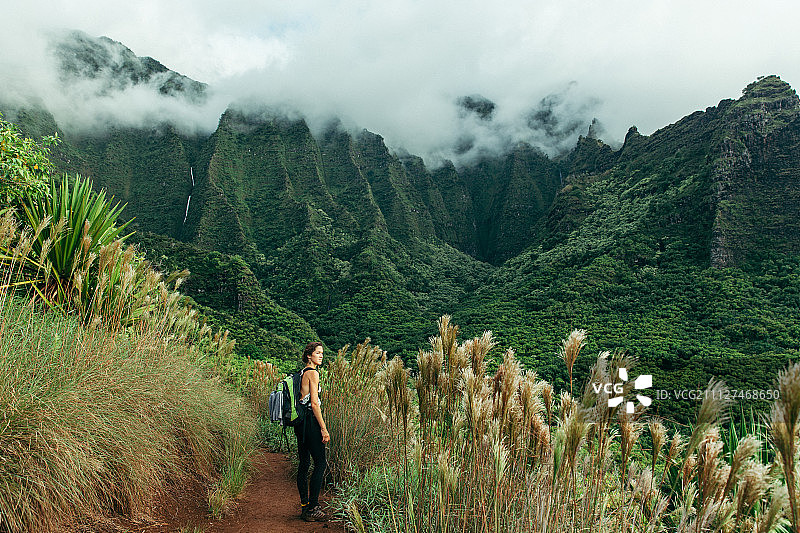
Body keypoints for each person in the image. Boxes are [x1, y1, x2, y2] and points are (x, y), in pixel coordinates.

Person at [296, 341, 330, 522]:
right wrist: (323, 429)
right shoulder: (313, 374)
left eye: (322, 353)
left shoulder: (302, 373)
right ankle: (313, 507)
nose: (321, 355)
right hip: (310, 423)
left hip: (300, 424)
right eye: (318, 353)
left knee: (304, 464)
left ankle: (304, 506)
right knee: (320, 463)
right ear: (309, 355)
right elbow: (314, 404)